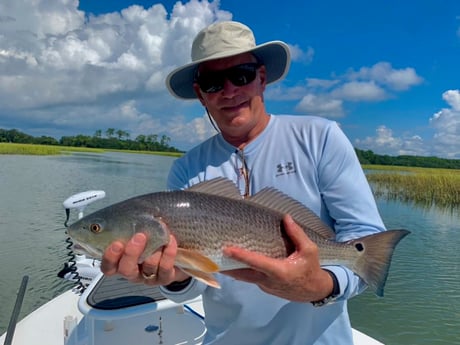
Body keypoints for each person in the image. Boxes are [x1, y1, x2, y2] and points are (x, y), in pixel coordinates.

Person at [101, 21, 386, 344]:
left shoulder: (320, 138)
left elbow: (366, 242)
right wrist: (173, 275)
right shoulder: (186, 168)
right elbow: (194, 282)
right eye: (211, 82)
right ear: (200, 94)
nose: (229, 91)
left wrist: (321, 285)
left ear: (261, 78)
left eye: (241, 75)